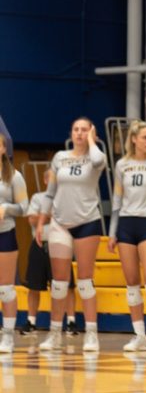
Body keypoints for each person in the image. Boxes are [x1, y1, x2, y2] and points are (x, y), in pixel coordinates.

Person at [36, 117, 106, 353]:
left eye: (84, 130)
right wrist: (41, 222)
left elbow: (98, 159)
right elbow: (50, 191)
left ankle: (91, 334)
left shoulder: (96, 158)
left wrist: (92, 141)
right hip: (59, 223)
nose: (79, 133)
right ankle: (55, 333)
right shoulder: (60, 158)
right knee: (58, 282)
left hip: (87, 221)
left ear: (91, 133)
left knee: (85, 281)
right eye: (76, 129)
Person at [108, 120, 146, 354]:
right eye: (145, 137)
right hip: (126, 224)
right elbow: (117, 200)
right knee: (132, 282)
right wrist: (113, 232)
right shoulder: (122, 165)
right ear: (134, 139)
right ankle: (139, 336)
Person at [23, 170, 77, 335]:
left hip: (61, 244)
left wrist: (44, 216)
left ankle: (71, 321)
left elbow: (71, 219)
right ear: (46, 180)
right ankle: (31, 321)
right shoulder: (38, 198)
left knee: (67, 286)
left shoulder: (68, 198)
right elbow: (31, 219)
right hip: (40, 245)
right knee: (33, 285)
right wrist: (52, 215)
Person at [0, 133, 27, 354]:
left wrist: (6, 209)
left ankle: (7, 335)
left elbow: (24, 208)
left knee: (5, 289)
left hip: (5, 234)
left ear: (3, 149)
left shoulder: (14, 177)